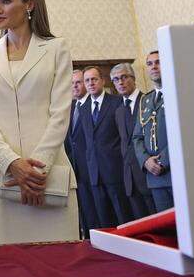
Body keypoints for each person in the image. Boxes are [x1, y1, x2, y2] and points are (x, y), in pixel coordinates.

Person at [0, 0, 78, 245]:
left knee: (60, 264)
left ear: (29, 4)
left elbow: (60, 114)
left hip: (50, 177)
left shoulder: (57, 49)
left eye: (6, 1)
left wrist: (35, 172)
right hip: (4, 179)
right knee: (13, 267)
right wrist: (13, 164)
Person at [80, 66, 132, 226]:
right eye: (87, 80)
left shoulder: (117, 103)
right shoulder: (83, 109)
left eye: (94, 79)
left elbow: (125, 138)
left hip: (115, 173)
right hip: (94, 176)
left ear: (102, 81)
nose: (91, 83)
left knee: (123, 219)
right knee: (104, 222)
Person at [110, 63, 155, 219]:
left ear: (133, 78)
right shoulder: (119, 111)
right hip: (130, 181)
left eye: (124, 77)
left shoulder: (148, 101)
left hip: (150, 176)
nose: (120, 82)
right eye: (116, 80)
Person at [133, 51, 173, 212]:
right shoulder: (145, 100)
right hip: (154, 177)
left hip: (175, 171)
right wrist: (146, 161)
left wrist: (163, 161)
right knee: (167, 232)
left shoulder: (177, 93)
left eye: (158, 62)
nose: (154, 67)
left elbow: (183, 132)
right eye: (149, 64)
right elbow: (137, 137)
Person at [64, 69, 99, 238]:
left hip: (94, 169)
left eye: (78, 82)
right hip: (75, 169)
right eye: (71, 84)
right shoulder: (69, 108)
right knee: (83, 211)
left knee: (97, 212)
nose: (75, 86)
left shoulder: (92, 105)